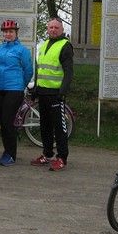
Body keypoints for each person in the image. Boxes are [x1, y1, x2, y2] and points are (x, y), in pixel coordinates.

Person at [30, 17, 73, 172]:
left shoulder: (65, 46)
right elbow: (41, 69)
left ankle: (62, 158)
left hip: (56, 94)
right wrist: (36, 88)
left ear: (62, 29)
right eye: (51, 27)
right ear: (47, 29)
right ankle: (47, 154)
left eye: (56, 27)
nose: (53, 30)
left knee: (59, 128)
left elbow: (69, 72)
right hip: (43, 92)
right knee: (45, 126)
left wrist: (62, 92)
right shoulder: (44, 44)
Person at [0, 20, 33, 166]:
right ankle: (6, 152)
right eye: (6, 32)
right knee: (3, 122)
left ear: (16, 33)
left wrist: (21, 85)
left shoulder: (22, 50)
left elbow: (28, 70)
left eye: (11, 32)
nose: (8, 34)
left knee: (8, 121)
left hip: (14, 89)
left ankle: (11, 155)